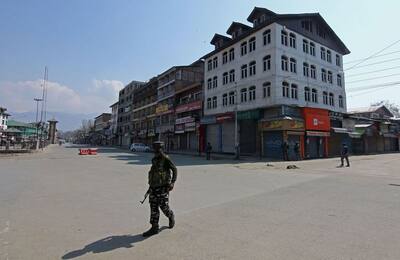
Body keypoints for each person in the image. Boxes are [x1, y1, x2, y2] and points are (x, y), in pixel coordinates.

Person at [143, 141, 177, 237]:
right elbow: (154, 173)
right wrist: (150, 186)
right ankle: (154, 227)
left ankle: (171, 216)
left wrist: (172, 182)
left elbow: (174, 169)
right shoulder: (154, 159)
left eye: (157, 148)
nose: (155, 150)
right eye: (154, 148)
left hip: (163, 188)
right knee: (153, 207)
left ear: (160, 148)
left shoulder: (165, 158)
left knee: (164, 207)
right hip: (153, 187)